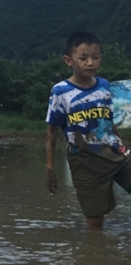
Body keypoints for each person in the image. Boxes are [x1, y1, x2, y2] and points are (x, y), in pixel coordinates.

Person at [46, 31, 131, 230]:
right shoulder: (61, 91)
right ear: (69, 60)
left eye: (95, 57)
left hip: (115, 153)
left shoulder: (103, 85)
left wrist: (123, 146)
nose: (90, 63)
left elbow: (108, 120)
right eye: (83, 58)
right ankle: (95, 254)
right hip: (85, 163)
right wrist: (49, 167)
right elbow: (51, 131)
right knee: (94, 218)